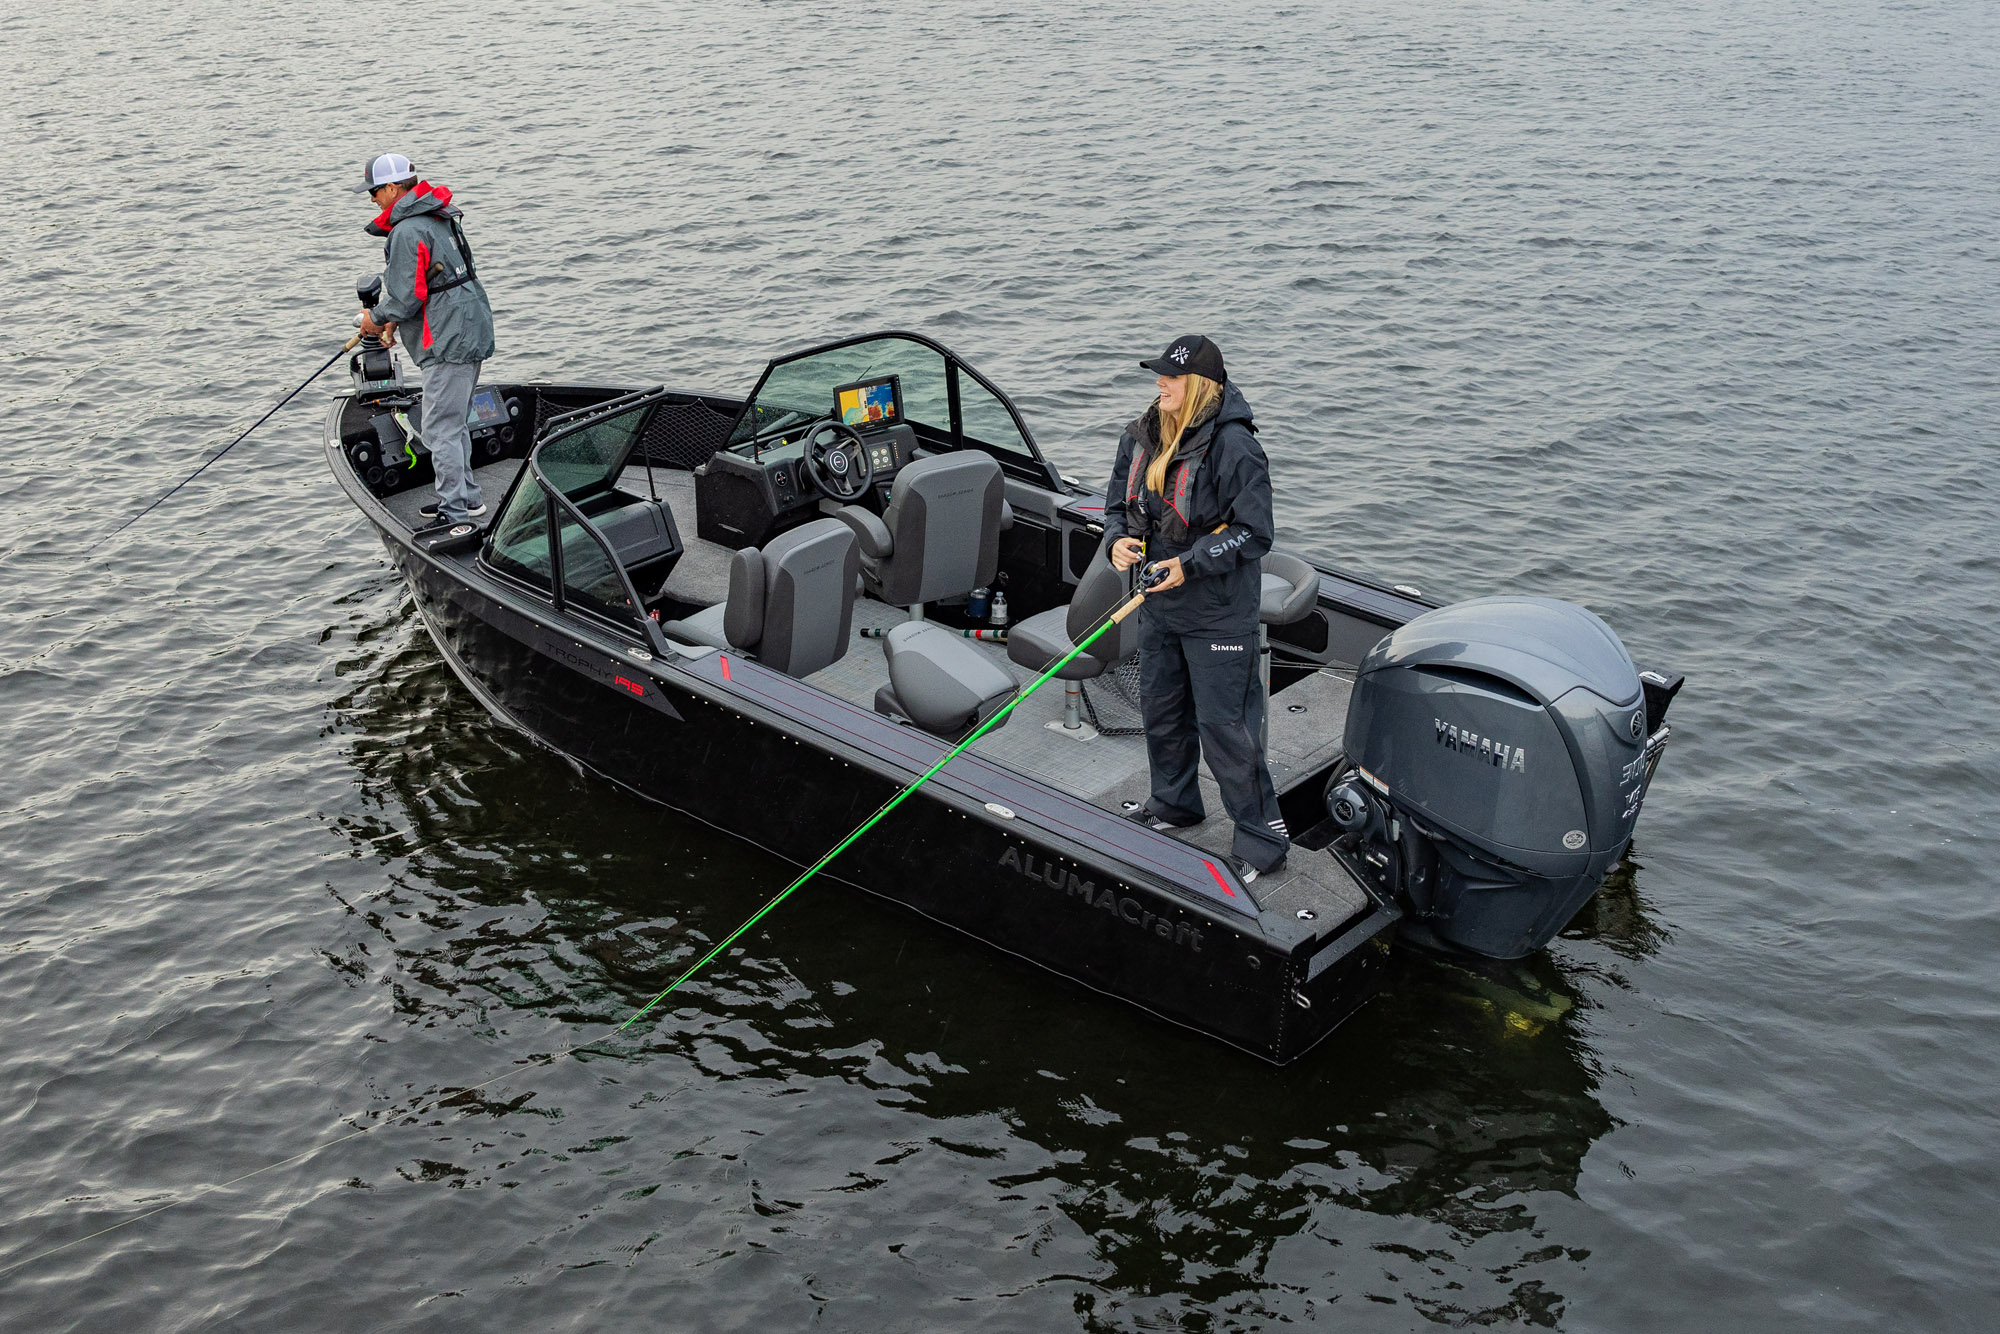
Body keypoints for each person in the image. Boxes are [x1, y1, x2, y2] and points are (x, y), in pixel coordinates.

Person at [1103, 334, 1289, 882]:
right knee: (1160, 712)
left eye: (1171, 377)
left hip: (1218, 614)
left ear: (1199, 386)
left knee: (1225, 729)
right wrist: (1117, 540)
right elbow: (1116, 506)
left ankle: (1262, 841)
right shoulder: (1139, 434)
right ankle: (1175, 804)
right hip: (1159, 607)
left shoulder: (1236, 447)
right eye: (1159, 375)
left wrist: (1192, 562)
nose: (1159, 382)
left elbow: (1256, 533)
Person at [351, 152, 496, 524]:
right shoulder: (435, 216)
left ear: (394, 188)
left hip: (448, 339)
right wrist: (395, 322)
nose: (372, 199)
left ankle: (453, 512)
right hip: (469, 326)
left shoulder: (406, 230)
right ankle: (467, 499)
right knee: (455, 422)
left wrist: (375, 318)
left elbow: (405, 296)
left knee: (439, 428)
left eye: (375, 190)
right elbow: (430, 283)